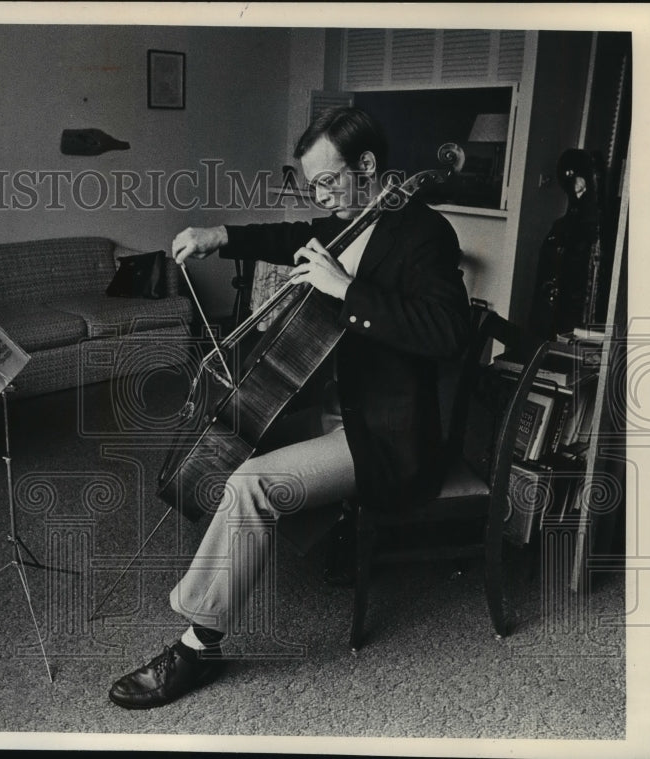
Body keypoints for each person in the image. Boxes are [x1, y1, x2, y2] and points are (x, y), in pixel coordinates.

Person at [108, 107, 472, 710]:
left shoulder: (424, 233)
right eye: (314, 187)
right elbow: (294, 234)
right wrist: (219, 236)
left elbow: (449, 333)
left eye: (329, 182)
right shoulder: (355, 215)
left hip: (384, 430)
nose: (322, 198)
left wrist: (345, 290)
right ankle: (236, 563)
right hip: (336, 401)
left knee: (250, 483)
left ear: (368, 167)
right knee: (237, 433)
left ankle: (198, 647)